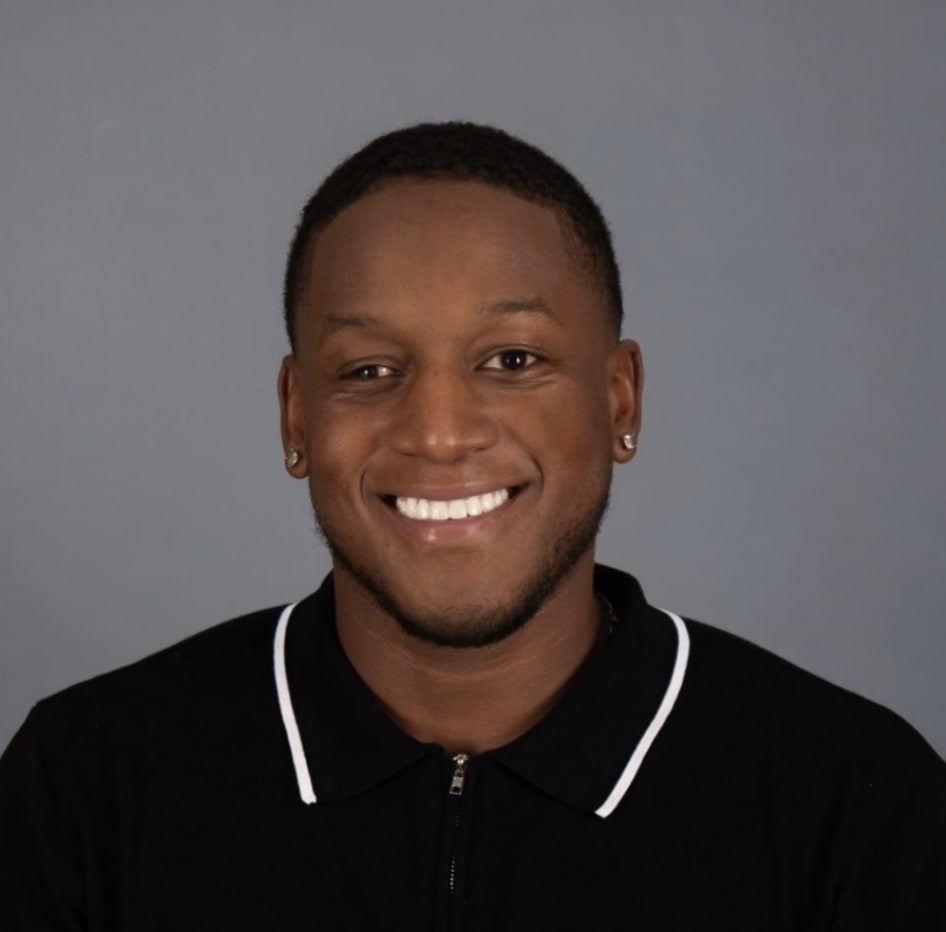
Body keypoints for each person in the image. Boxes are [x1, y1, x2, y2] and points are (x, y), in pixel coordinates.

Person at [1, 122, 943, 930]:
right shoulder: (85, 785)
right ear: (296, 418)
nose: (440, 433)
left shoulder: (857, 808)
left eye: (513, 359)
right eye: (370, 371)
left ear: (620, 399)